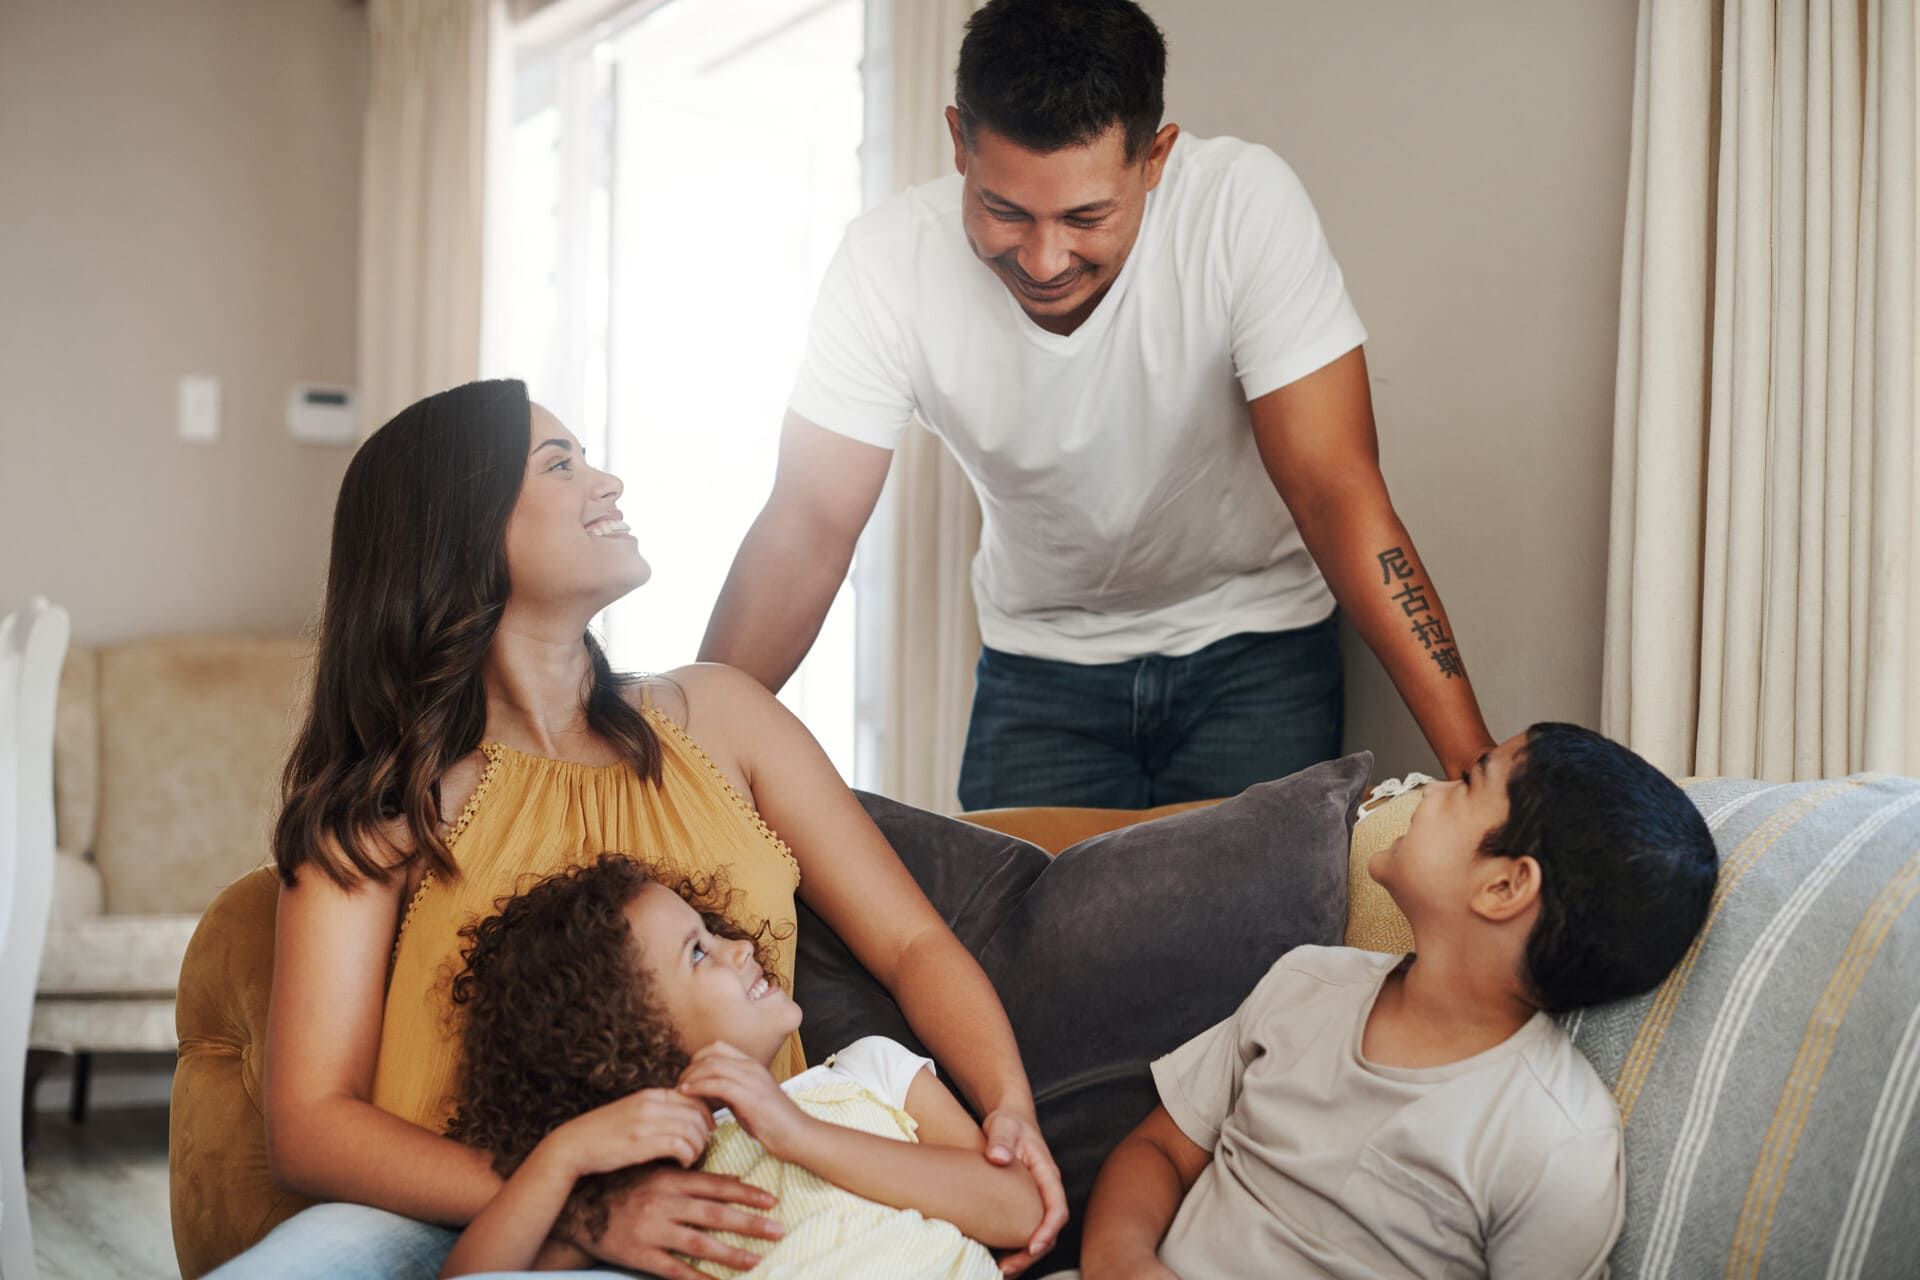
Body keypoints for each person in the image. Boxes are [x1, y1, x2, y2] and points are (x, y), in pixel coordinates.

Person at [212, 380, 1064, 1280]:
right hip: (469, 1221)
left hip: (748, 1209)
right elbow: (310, 1125)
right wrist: (586, 1206)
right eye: (561, 464)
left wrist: (1008, 1104)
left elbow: (911, 941)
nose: (608, 482)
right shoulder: (386, 804)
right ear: (461, 526)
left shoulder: (724, 716)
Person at [700, 0, 1495, 809]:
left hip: (1257, 644)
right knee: (1010, 932)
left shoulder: (1241, 208)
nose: (1043, 259)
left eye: (1086, 216)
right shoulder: (883, 266)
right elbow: (806, 528)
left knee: (1261, 938)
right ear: (958, 143)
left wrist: (1480, 775)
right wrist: (680, 768)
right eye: (1005, 210)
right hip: (1039, 665)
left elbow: (1336, 494)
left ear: (1155, 158)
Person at [1071, 723, 1719, 1279]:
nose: (1429, 789)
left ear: (1504, 885)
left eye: (1470, 783)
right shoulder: (1307, 983)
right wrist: (1120, 1260)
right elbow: (1158, 1150)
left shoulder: (1556, 1145)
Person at [437, 854, 1043, 1279]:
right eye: (698, 951)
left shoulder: (870, 1073)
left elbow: (1020, 1211)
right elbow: (478, 1277)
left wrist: (799, 1133)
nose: (740, 945)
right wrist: (561, 1157)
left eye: (709, 931)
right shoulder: (652, 1181)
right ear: (623, 1037)